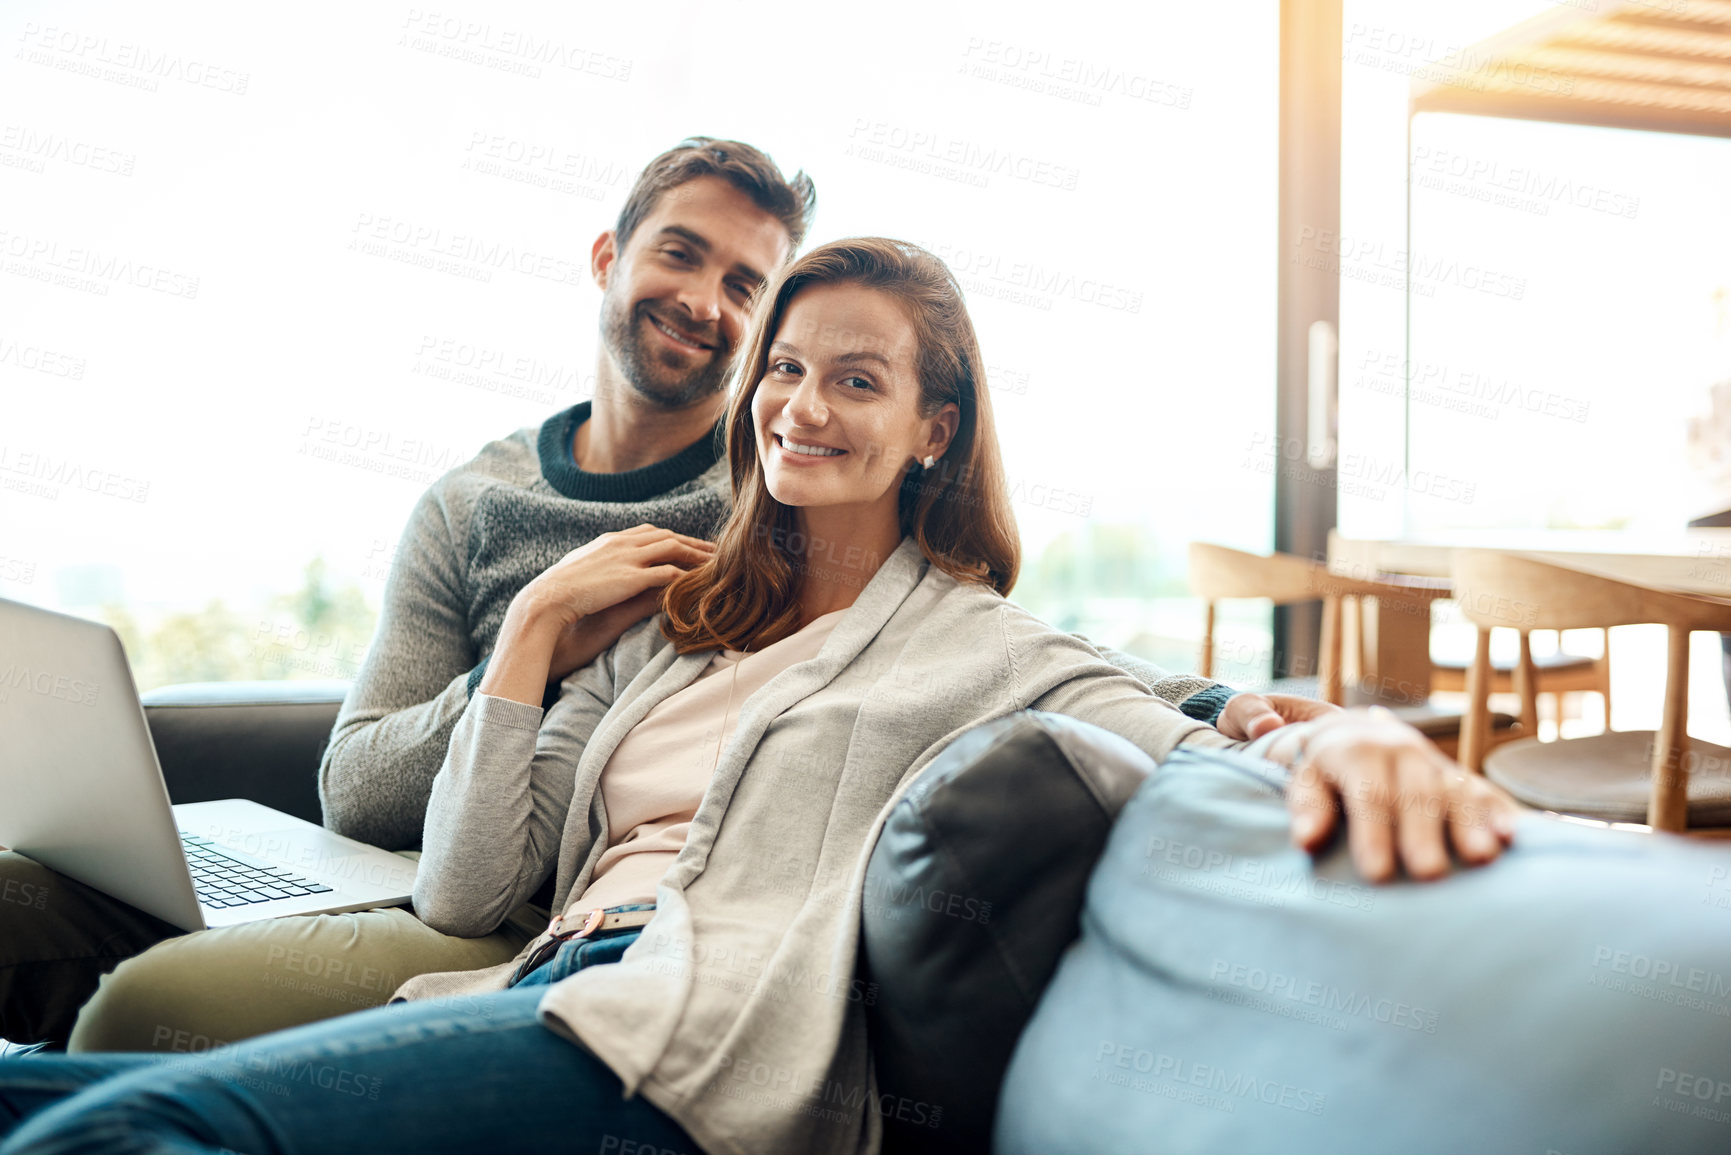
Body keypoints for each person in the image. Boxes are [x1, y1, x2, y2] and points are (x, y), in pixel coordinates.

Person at [0, 239, 1516, 1154]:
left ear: (935, 428)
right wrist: (530, 634)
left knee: (137, 1125)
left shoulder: (987, 645)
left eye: (860, 379)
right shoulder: (675, 630)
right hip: (535, 983)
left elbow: (1180, 731)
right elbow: (472, 885)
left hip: (688, 1046)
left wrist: (1356, 732)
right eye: (787, 368)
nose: (802, 403)